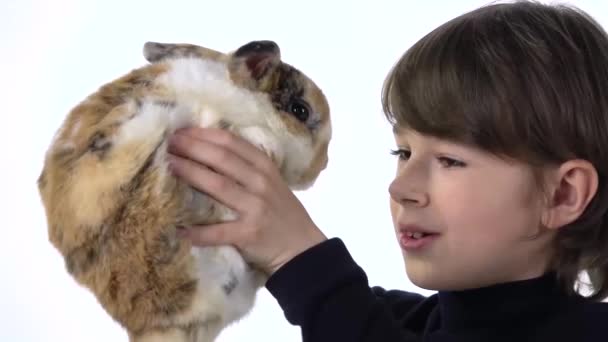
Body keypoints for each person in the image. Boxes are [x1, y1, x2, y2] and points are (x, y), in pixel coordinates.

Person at [166, 1, 608, 340]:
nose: (402, 188)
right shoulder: (407, 323)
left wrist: (298, 258)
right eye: (403, 153)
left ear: (563, 195)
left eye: (450, 160)